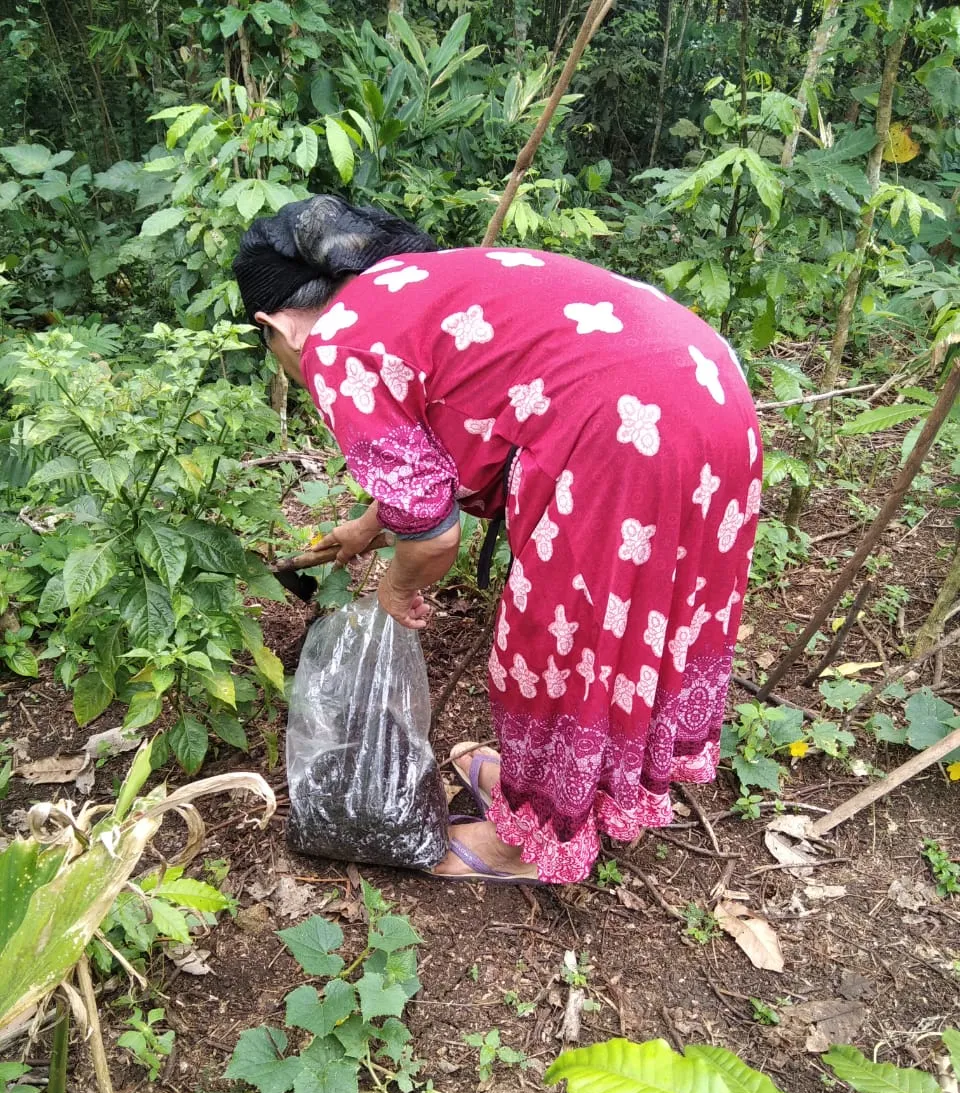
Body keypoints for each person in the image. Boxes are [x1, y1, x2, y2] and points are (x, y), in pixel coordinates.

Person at [234, 195, 762, 885]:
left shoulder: (336, 343)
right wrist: (367, 528)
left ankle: (531, 837)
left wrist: (396, 585)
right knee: (637, 624)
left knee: (556, 640)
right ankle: (567, 789)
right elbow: (456, 422)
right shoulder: (409, 285)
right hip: (711, 394)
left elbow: (435, 543)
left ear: (273, 325)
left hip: (622, 439)